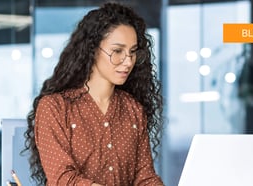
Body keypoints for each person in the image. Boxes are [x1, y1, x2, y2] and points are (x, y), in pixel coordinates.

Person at [23, 2, 164, 186]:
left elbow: (144, 177)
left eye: (132, 52)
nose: (128, 61)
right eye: (117, 51)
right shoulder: (55, 107)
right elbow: (62, 178)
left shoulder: (133, 109)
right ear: (93, 49)